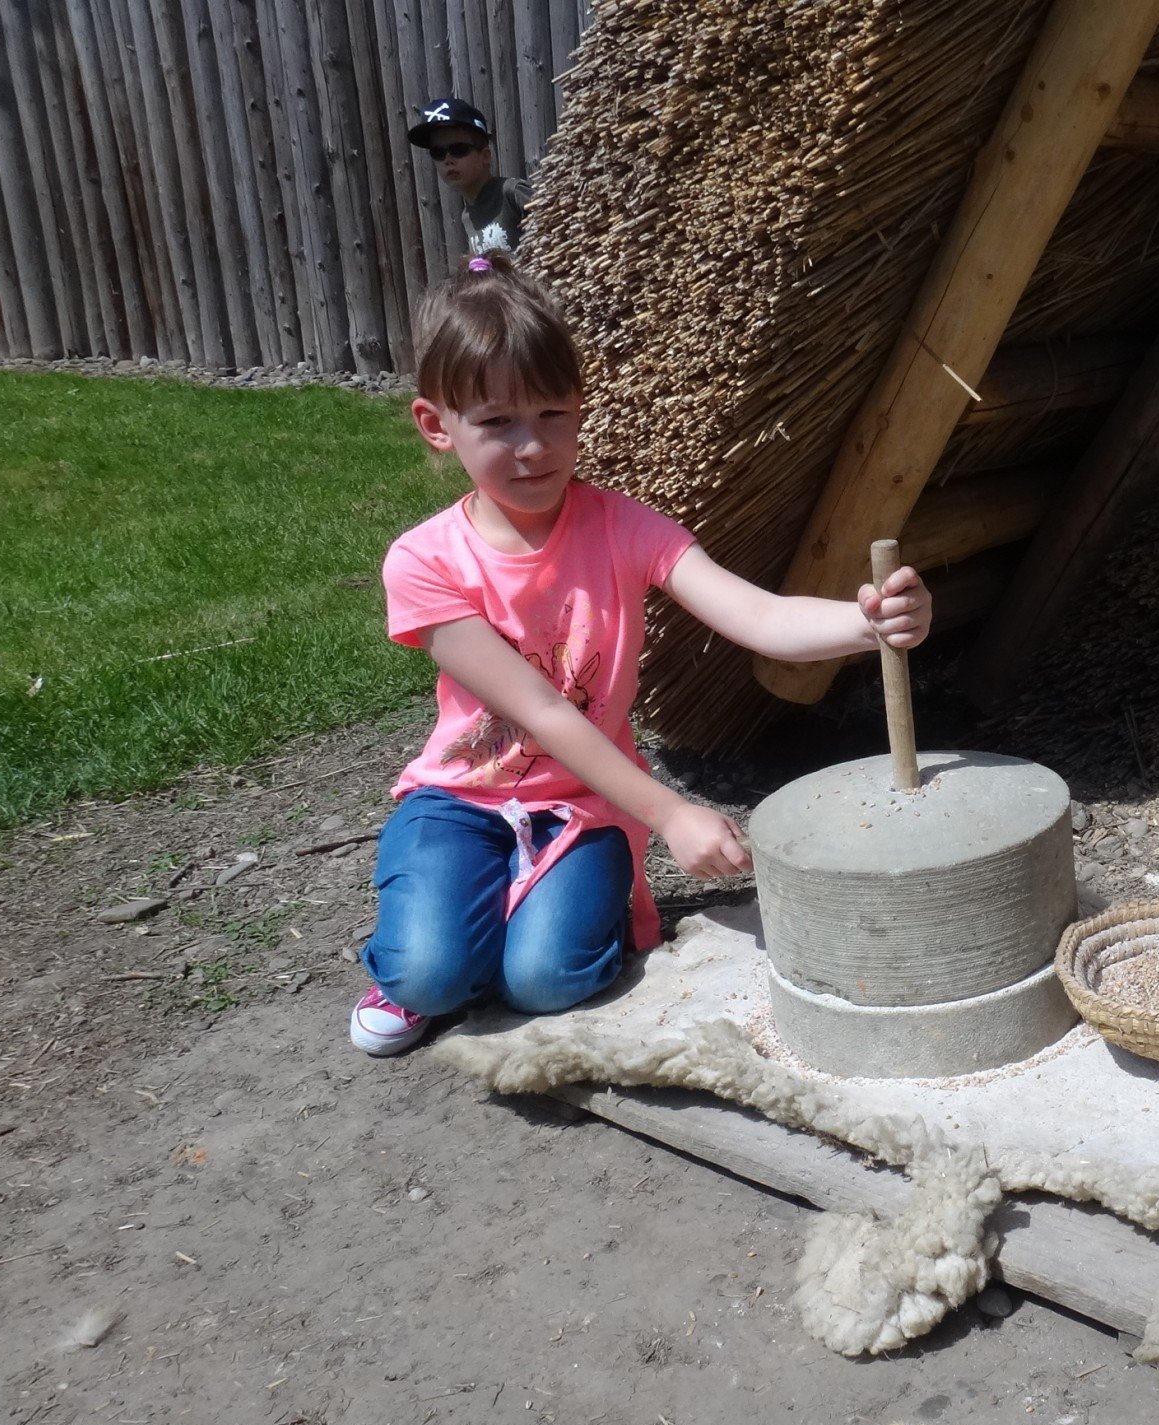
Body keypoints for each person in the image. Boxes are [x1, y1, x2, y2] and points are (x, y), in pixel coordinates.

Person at [349, 251, 932, 1056]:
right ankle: (418, 963)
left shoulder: (625, 527)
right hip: (461, 802)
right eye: (495, 423)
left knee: (547, 982)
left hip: (588, 800)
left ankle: (551, 899)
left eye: (554, 414)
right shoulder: (423, 562)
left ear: (581, 410)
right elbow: (544, 710)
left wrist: (868, 624)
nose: (531, 447)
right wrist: (672, 811)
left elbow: (756, 616)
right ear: (435, 426)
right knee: (432, 975)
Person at [407, 97, 530, 255]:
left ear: (485, 156)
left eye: (459, 149)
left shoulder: (512, 193)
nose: (448, 160)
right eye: (438, 153)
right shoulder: (467, 216)